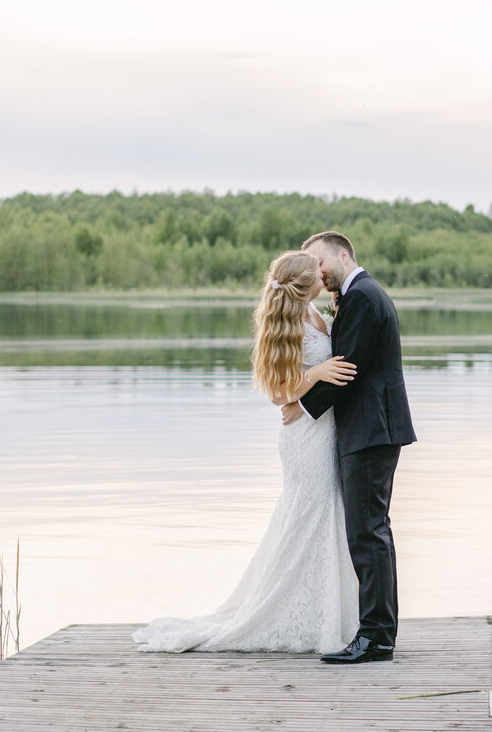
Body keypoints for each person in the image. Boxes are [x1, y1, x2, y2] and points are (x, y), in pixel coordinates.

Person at [132, 251, 360, 653]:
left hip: (324, 431)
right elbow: (278, 394)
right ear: (304, 285)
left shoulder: (314, 316)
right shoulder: (282, 326)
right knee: (308, 517)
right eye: (317, 272)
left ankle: (323, 611)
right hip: (304, 440)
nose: (324, 275)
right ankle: (285, 611)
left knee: (323, 517)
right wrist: (316, 374)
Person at [283, 230, 416, 664]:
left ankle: (375, 638)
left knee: (368, 533)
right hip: (370, 429)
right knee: (373, 531)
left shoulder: (362, 297)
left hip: (370, 430)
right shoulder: (360, 294)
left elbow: (346, 371)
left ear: (343, 254)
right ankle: (378, 632)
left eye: (320, 262)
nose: (316, 272)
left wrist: (300, 406)